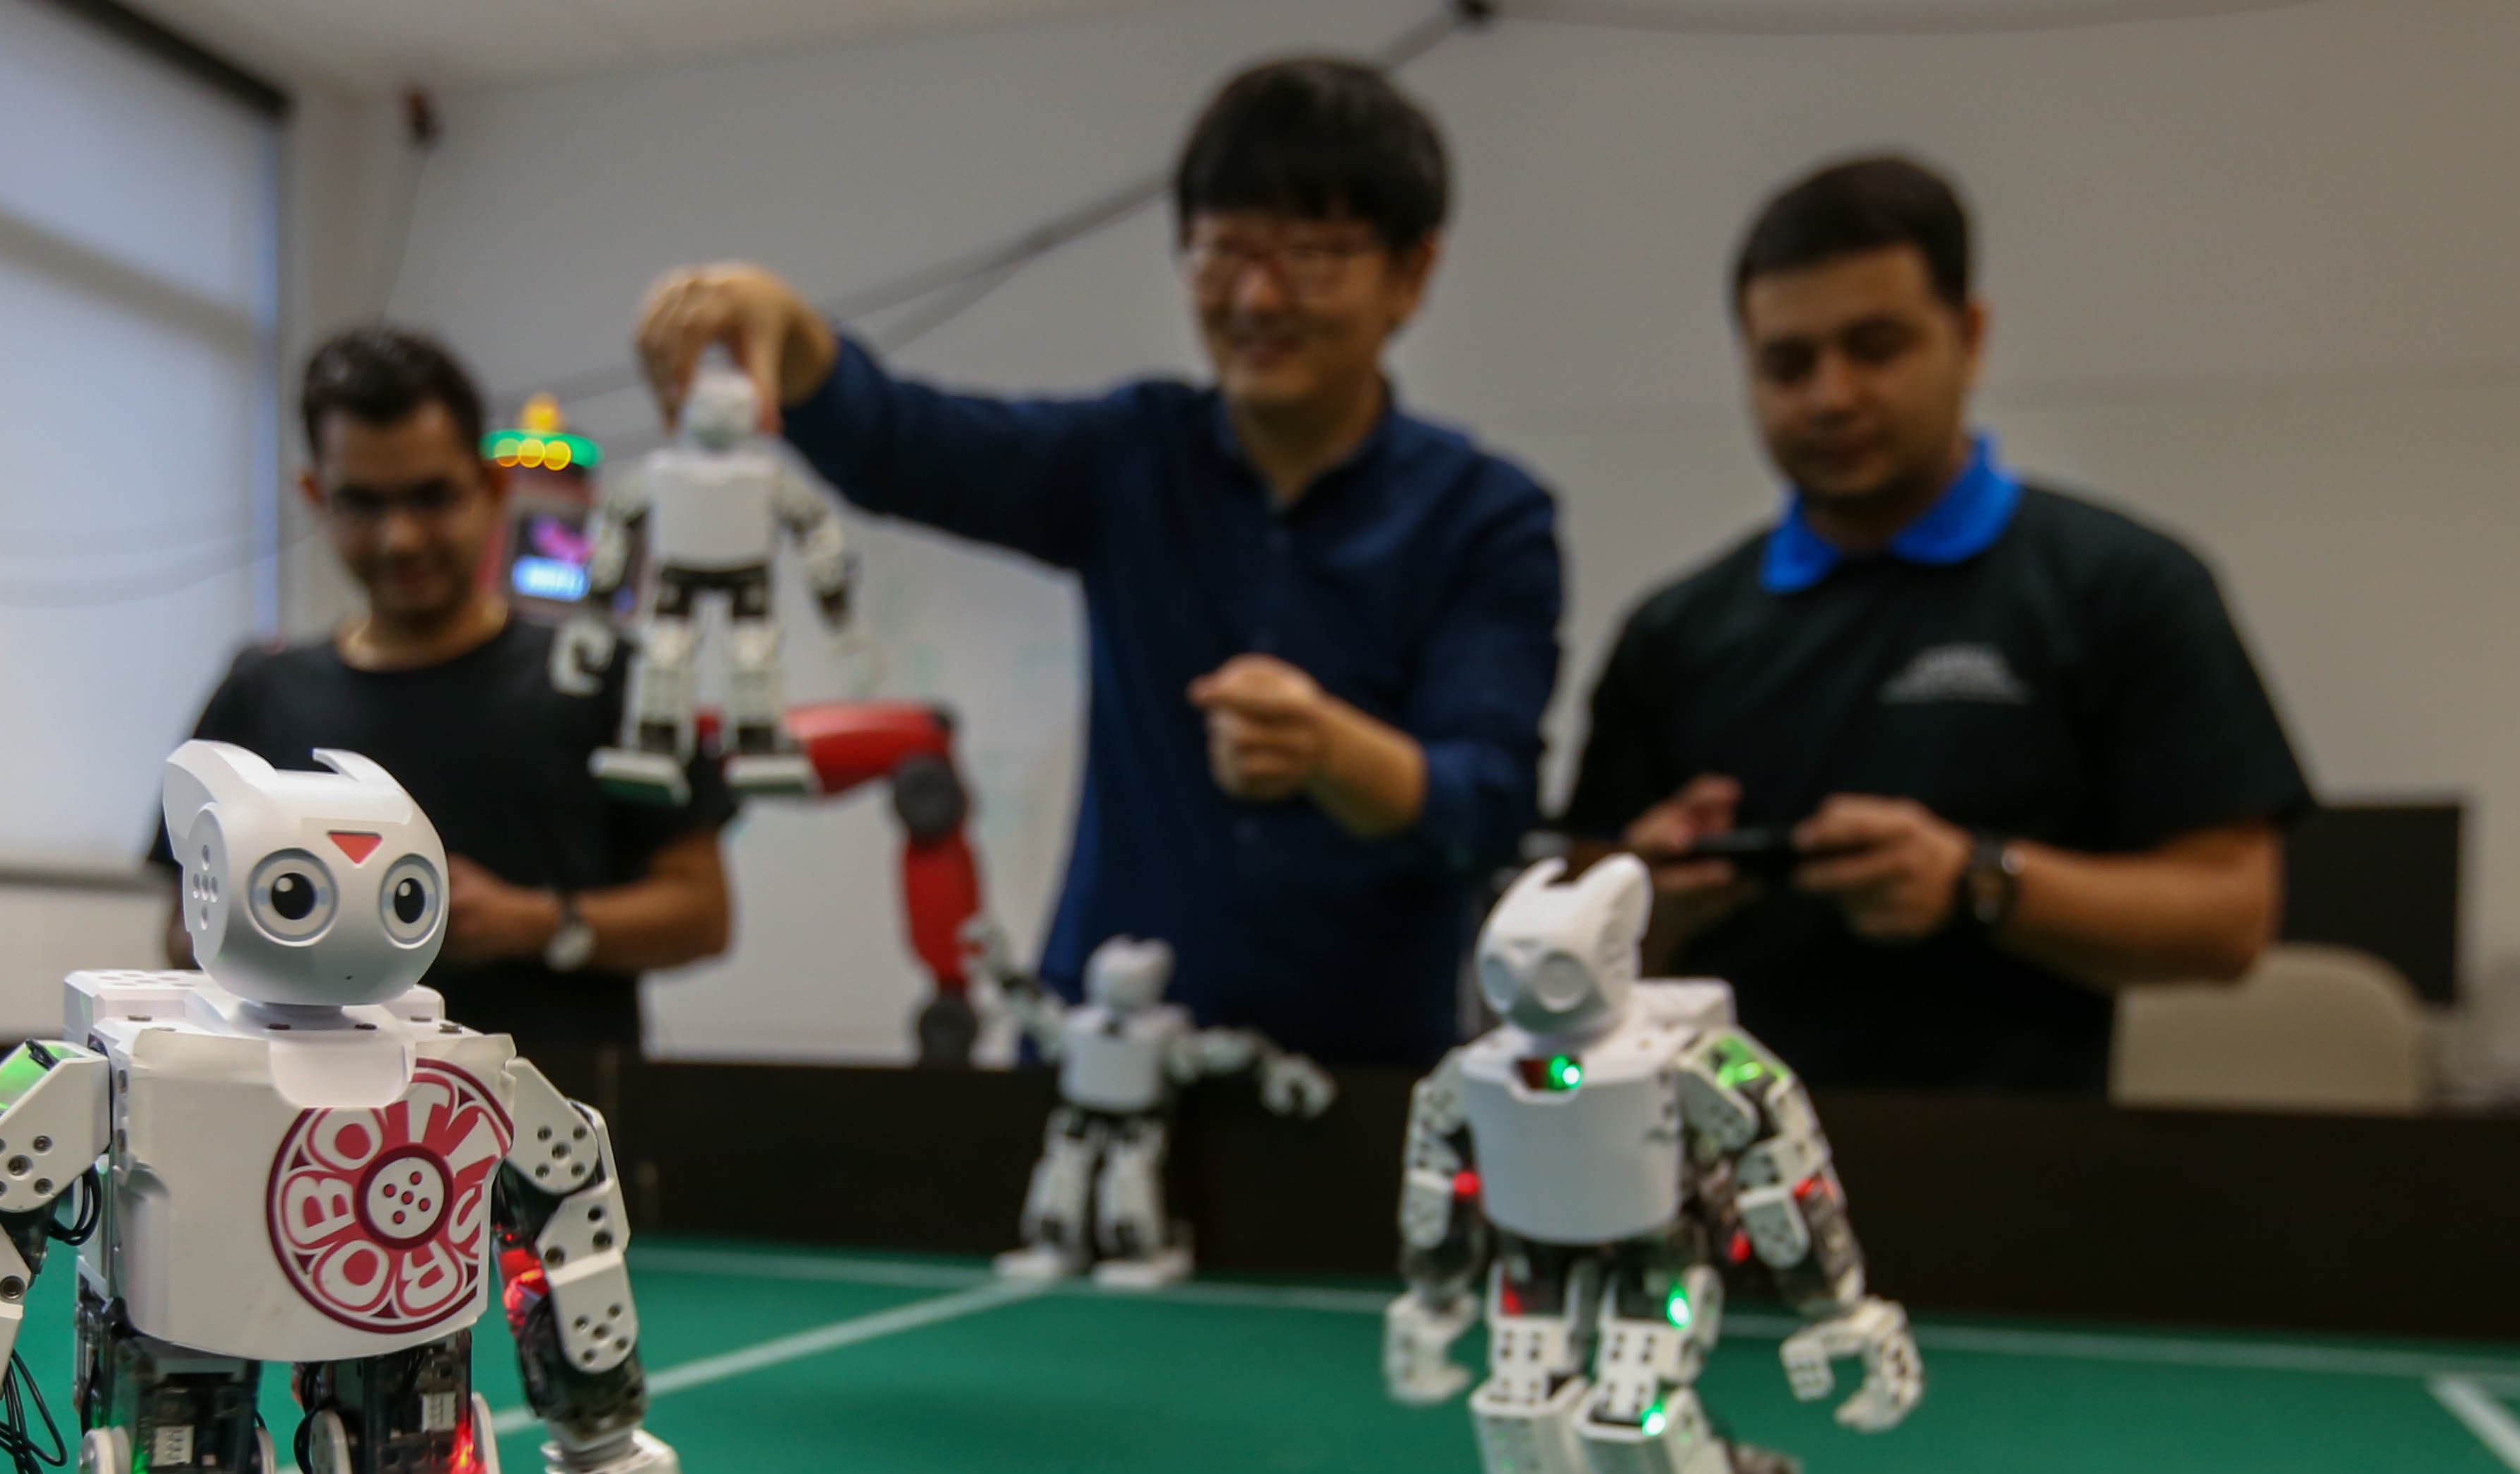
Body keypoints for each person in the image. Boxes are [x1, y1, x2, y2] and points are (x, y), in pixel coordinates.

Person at [632, 57, 1563, 1069]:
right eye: (1221, 250)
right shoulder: (1133, 456)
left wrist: (1337, 755)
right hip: (1099, 1056)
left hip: (1360, 1085)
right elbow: (912, 445)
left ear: (1411, 273)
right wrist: (787, 328)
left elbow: (1488, 805)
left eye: (1311, 253)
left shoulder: (1483, 517)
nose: (1256, 295)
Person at [1563, 156, 2313, 1095]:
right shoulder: (1674, 631)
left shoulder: (2121, 587)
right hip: (1718, 1181)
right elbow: (1580, 929)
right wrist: (1655, 901)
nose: (1830, 396)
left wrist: (1977, 881)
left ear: (1968, 336)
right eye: (1786, 364)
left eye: (1874, 347)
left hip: (2015, 1181)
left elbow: (2229, 917)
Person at [155, 327, 734, 1057]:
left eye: (431, 497)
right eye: (361, 503)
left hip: (550, 1126)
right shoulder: (257, 695)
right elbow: (180, 931)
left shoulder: (604, 679)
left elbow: (703, 912)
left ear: (492, 487)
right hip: (307, 1148)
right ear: (315, 495)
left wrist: (535, 922)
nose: (400, 538)